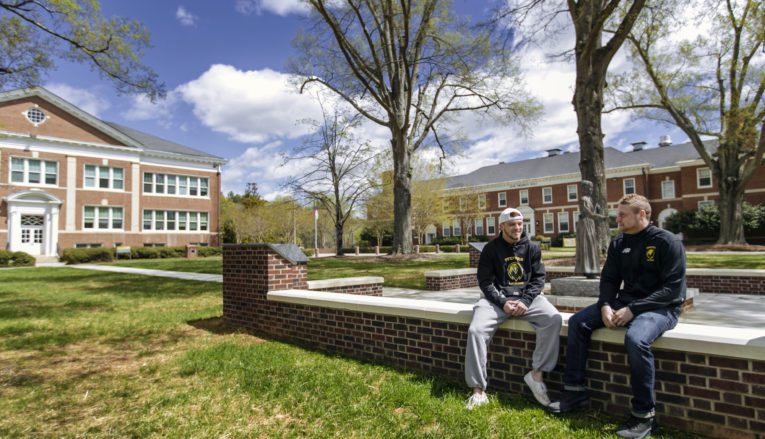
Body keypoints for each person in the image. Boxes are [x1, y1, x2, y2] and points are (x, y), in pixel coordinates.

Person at [549, 194, 686, 439]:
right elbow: (610, 279)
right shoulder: (618, 242)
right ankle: (575, 392)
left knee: (635, 339)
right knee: (578, 322)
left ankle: (644, 414)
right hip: (625, 302)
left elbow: (673, 290)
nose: (617, 219)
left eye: (623, 214)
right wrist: (604, 305)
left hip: (661, 308)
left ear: (642, 214)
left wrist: (634, 309)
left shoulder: (667, 242)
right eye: (618, 214)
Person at [464, 207, 562, 409]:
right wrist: (502, 302)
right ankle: (478, 390)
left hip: (528, 299)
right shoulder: (491, 249)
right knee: (476, 330)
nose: (517, 228)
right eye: (512, 224)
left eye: (519, 224)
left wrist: (525, 301)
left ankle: (536, 375)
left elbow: (538, 279)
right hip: (496, 301)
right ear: (501, 226)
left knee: (553, 318)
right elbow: (485, 282)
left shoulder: (532, 248)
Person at [575, 180, 605, 279]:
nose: (591, 190)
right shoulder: (583, 199)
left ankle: (592, 269)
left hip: (590, 224)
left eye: (591, 188)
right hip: (585, 224)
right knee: (587, 246)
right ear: (583, 189)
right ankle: (587, 270)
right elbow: (589, 214)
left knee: (591, 246)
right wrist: (602, 217)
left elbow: (593, 213)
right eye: (589, 188)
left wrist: (597, 209)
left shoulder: (590, 200)